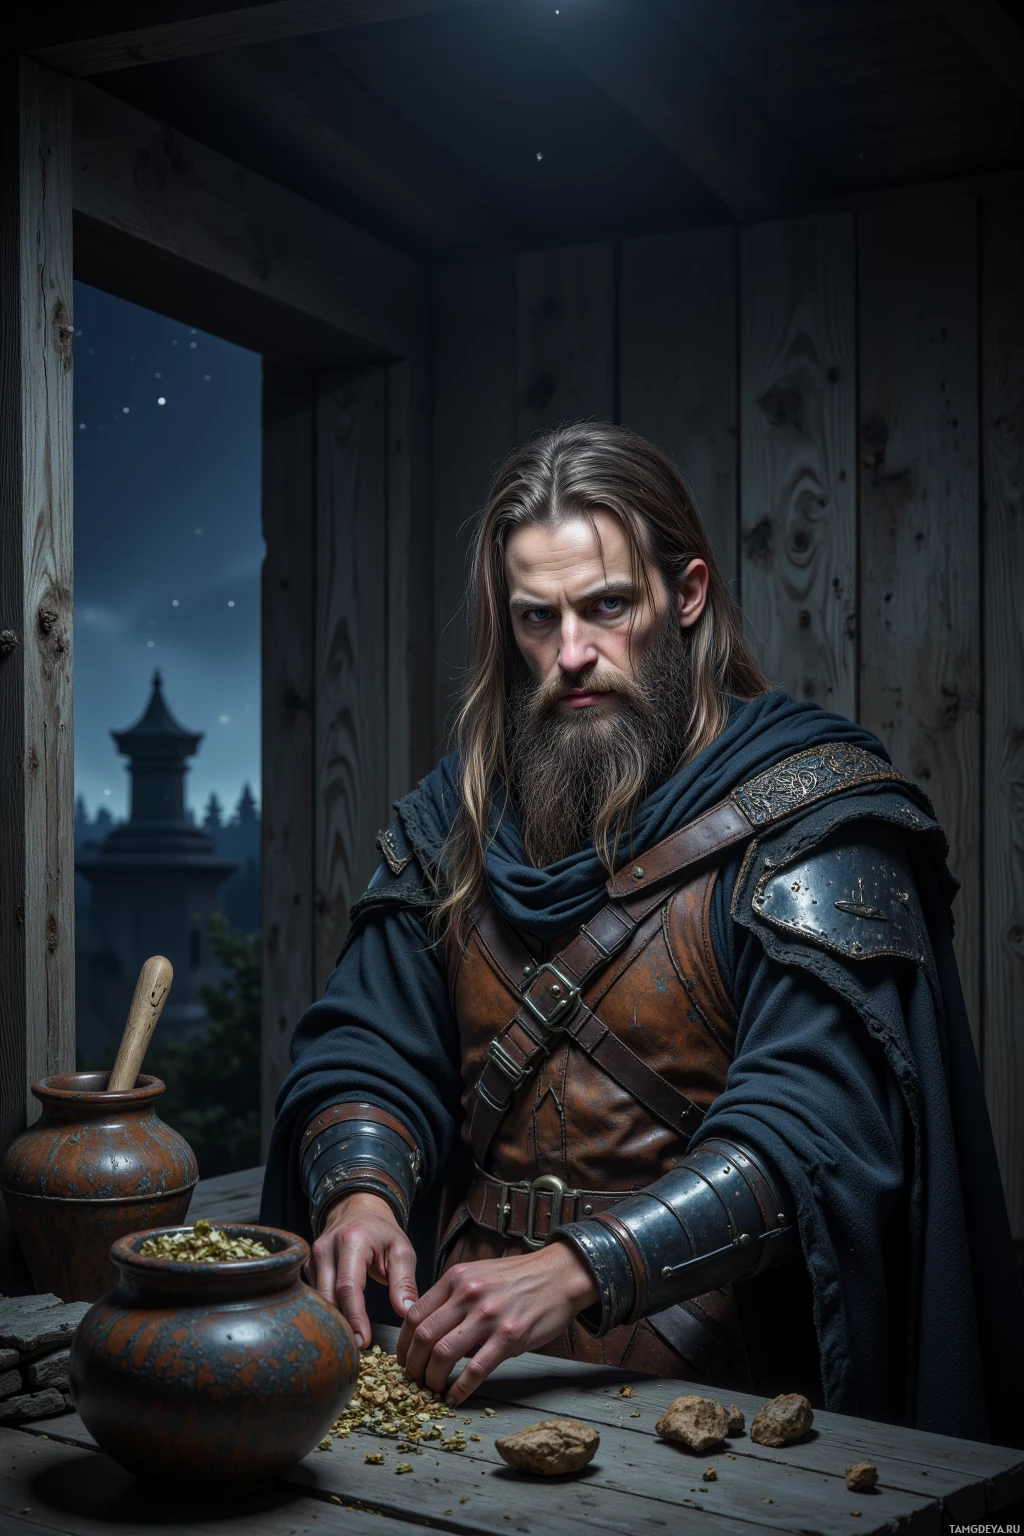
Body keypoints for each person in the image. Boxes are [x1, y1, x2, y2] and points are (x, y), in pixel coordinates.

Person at [262, 422, 1024, 1445]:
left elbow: (813, 1126)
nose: (571, 653)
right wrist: (360, 1194)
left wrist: (579, 1268)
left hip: (721, 1393)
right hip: (453, 1363)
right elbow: (370, 1040)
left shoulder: (814, 818)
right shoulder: (457, 818)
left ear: (687, 594)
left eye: (607, 606)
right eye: (537, 619)